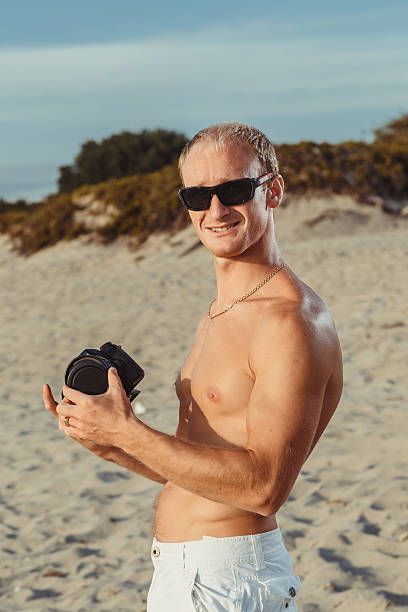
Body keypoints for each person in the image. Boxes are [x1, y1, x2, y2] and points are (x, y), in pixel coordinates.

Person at [43, 122, 343, 611]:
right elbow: (198, 470)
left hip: (230, 580)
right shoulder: (222, 308)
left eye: (234, 190)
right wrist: (110, 441)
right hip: (185, 573)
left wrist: (130, 432)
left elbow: (264, 488)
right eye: (198, 196)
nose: (216, 210)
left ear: (274, 191)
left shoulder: (289, 320)